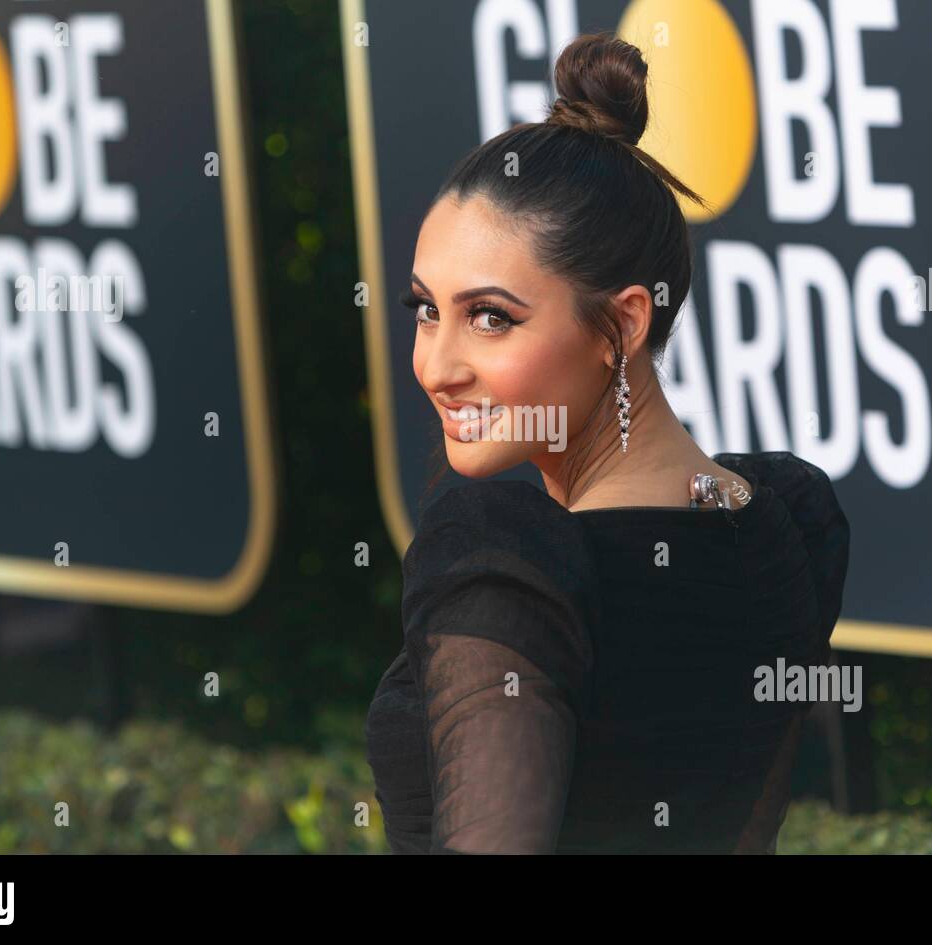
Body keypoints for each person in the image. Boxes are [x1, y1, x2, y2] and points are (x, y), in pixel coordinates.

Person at [364, 31, 850, 854]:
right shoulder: (788, 523)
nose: (435, 365)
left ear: (623, 323)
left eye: (491, 318)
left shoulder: (500, 563)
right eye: (425, 309)